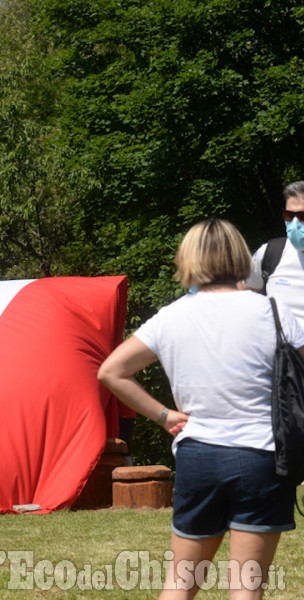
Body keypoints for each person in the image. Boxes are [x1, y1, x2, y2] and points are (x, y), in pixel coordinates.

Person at [98, 218, 304, 599]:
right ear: (241, 256)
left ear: (187, 258)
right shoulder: (272, 312)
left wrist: (163, 415)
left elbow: (112, 371)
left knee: (180, 583)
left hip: (199, 457)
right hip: (263, 458)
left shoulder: (171, 317)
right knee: (247, 588)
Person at [246, 180, 304, 323]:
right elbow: (244, 296)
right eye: (289, 216)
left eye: (302, 216)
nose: (295, 223)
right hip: (280, 345)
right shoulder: (270, 253)